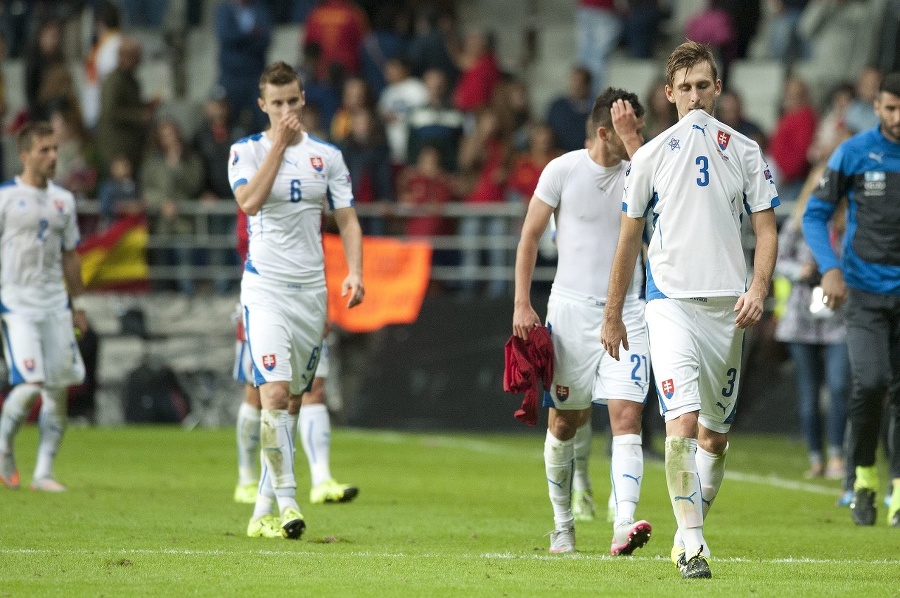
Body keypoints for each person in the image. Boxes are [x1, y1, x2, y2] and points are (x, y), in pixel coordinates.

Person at [601, 41, 779, 579]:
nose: (696, 96)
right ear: (669, 94)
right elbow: (629, 240)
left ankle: (685, 531)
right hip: (670, 302)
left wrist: (759, 287)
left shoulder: (746, 151)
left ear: (718, 88)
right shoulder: (651, 156)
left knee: (715, 437)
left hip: (729, 309)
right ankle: (695, 547)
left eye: (704, 85)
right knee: (681, 420)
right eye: (686, 88)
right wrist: (613, 314)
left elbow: (766, 229)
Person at [228, 61, 364, 540]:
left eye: (292, 101)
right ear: (263, 105)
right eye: (276, 103)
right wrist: (278, 148)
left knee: (293, 405)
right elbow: (249, 203)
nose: (286, 110)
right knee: (275, 395)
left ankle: (261, 511)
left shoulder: (327, 157)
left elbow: (346, 218)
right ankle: (288, 503)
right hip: (265, 288)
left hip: (312, 293)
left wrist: (356, 272)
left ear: (303, 99)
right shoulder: (245, 152)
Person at [513, 88, 652, 556]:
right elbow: (530, 235)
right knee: (565, 423)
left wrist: (635, 145)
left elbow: (664, 210)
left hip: (629, 310)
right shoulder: (563, 170)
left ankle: (624, 525)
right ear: (601, 132)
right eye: (627, 129)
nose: (636, 137)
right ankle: (562, 524)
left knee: (626, 415)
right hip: (570, 311)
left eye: (640, 129)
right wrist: (521, 304)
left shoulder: (640, 169)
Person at [802, 71, 900, 528]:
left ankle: (898, 485)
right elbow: (815, 214)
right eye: (891, 108)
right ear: (877, 108)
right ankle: (862, 475)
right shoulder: (855, 152)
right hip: (863, 291)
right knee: (872, 382)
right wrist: (831, 268)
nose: (898, 118)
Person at [0, 121, 89, 492]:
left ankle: (43, 473)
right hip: (16, 304)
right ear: (24, 155)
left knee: (56, 389)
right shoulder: (4, 197)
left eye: (55, 149)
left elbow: (70, 256)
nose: (54, 156)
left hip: (55, 305)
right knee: (30, 383)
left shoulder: (63, 201)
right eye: (44, 150)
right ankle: (4, 447)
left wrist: (78, 303)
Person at [775, 164, 850, 483]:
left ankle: (836, 454)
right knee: (807, 393)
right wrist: (799, 271)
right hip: (802, 316)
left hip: (840, 317)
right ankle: (816, 457)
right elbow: (777, 261)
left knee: (839, 386)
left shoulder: (849, 222)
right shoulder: (798, 223)